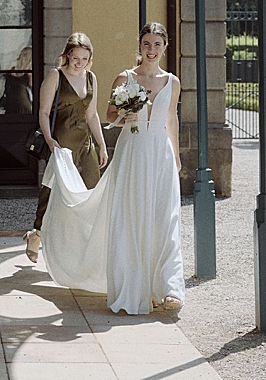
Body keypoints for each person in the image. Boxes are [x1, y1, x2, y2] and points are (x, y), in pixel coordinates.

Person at [40, 22, 184, 314]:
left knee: (165, 218)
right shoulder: (125, 77)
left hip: (162, 154)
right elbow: (107, 114)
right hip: (134, 151)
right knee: (133, 216)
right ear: (139, 45)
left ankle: (168, 286)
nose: (152, 50)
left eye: (157, 44)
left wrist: (177, 156)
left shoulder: (173, 81)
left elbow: (171, 120)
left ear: (165, 46)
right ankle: (138, 286)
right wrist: (124, 117)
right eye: (146, 44)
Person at [23, 33, 109, 263]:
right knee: (51, 191)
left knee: (93, 191)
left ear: (90, 57)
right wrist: (50, 139)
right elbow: (43, 111)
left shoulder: (91, 78)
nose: (79, 62)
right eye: (75, 57)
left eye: (84, 58)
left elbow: (92, 114)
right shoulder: (55, 76)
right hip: (61, 144)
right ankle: (36, 234)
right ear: (67, 55)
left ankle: (90, 245)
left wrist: (102, 145)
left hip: (85, 143)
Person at [2, 46, 33, 114]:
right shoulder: (28, 73)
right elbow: (32, 86)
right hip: (23, 102)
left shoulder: (12, 71)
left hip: (11, 102)